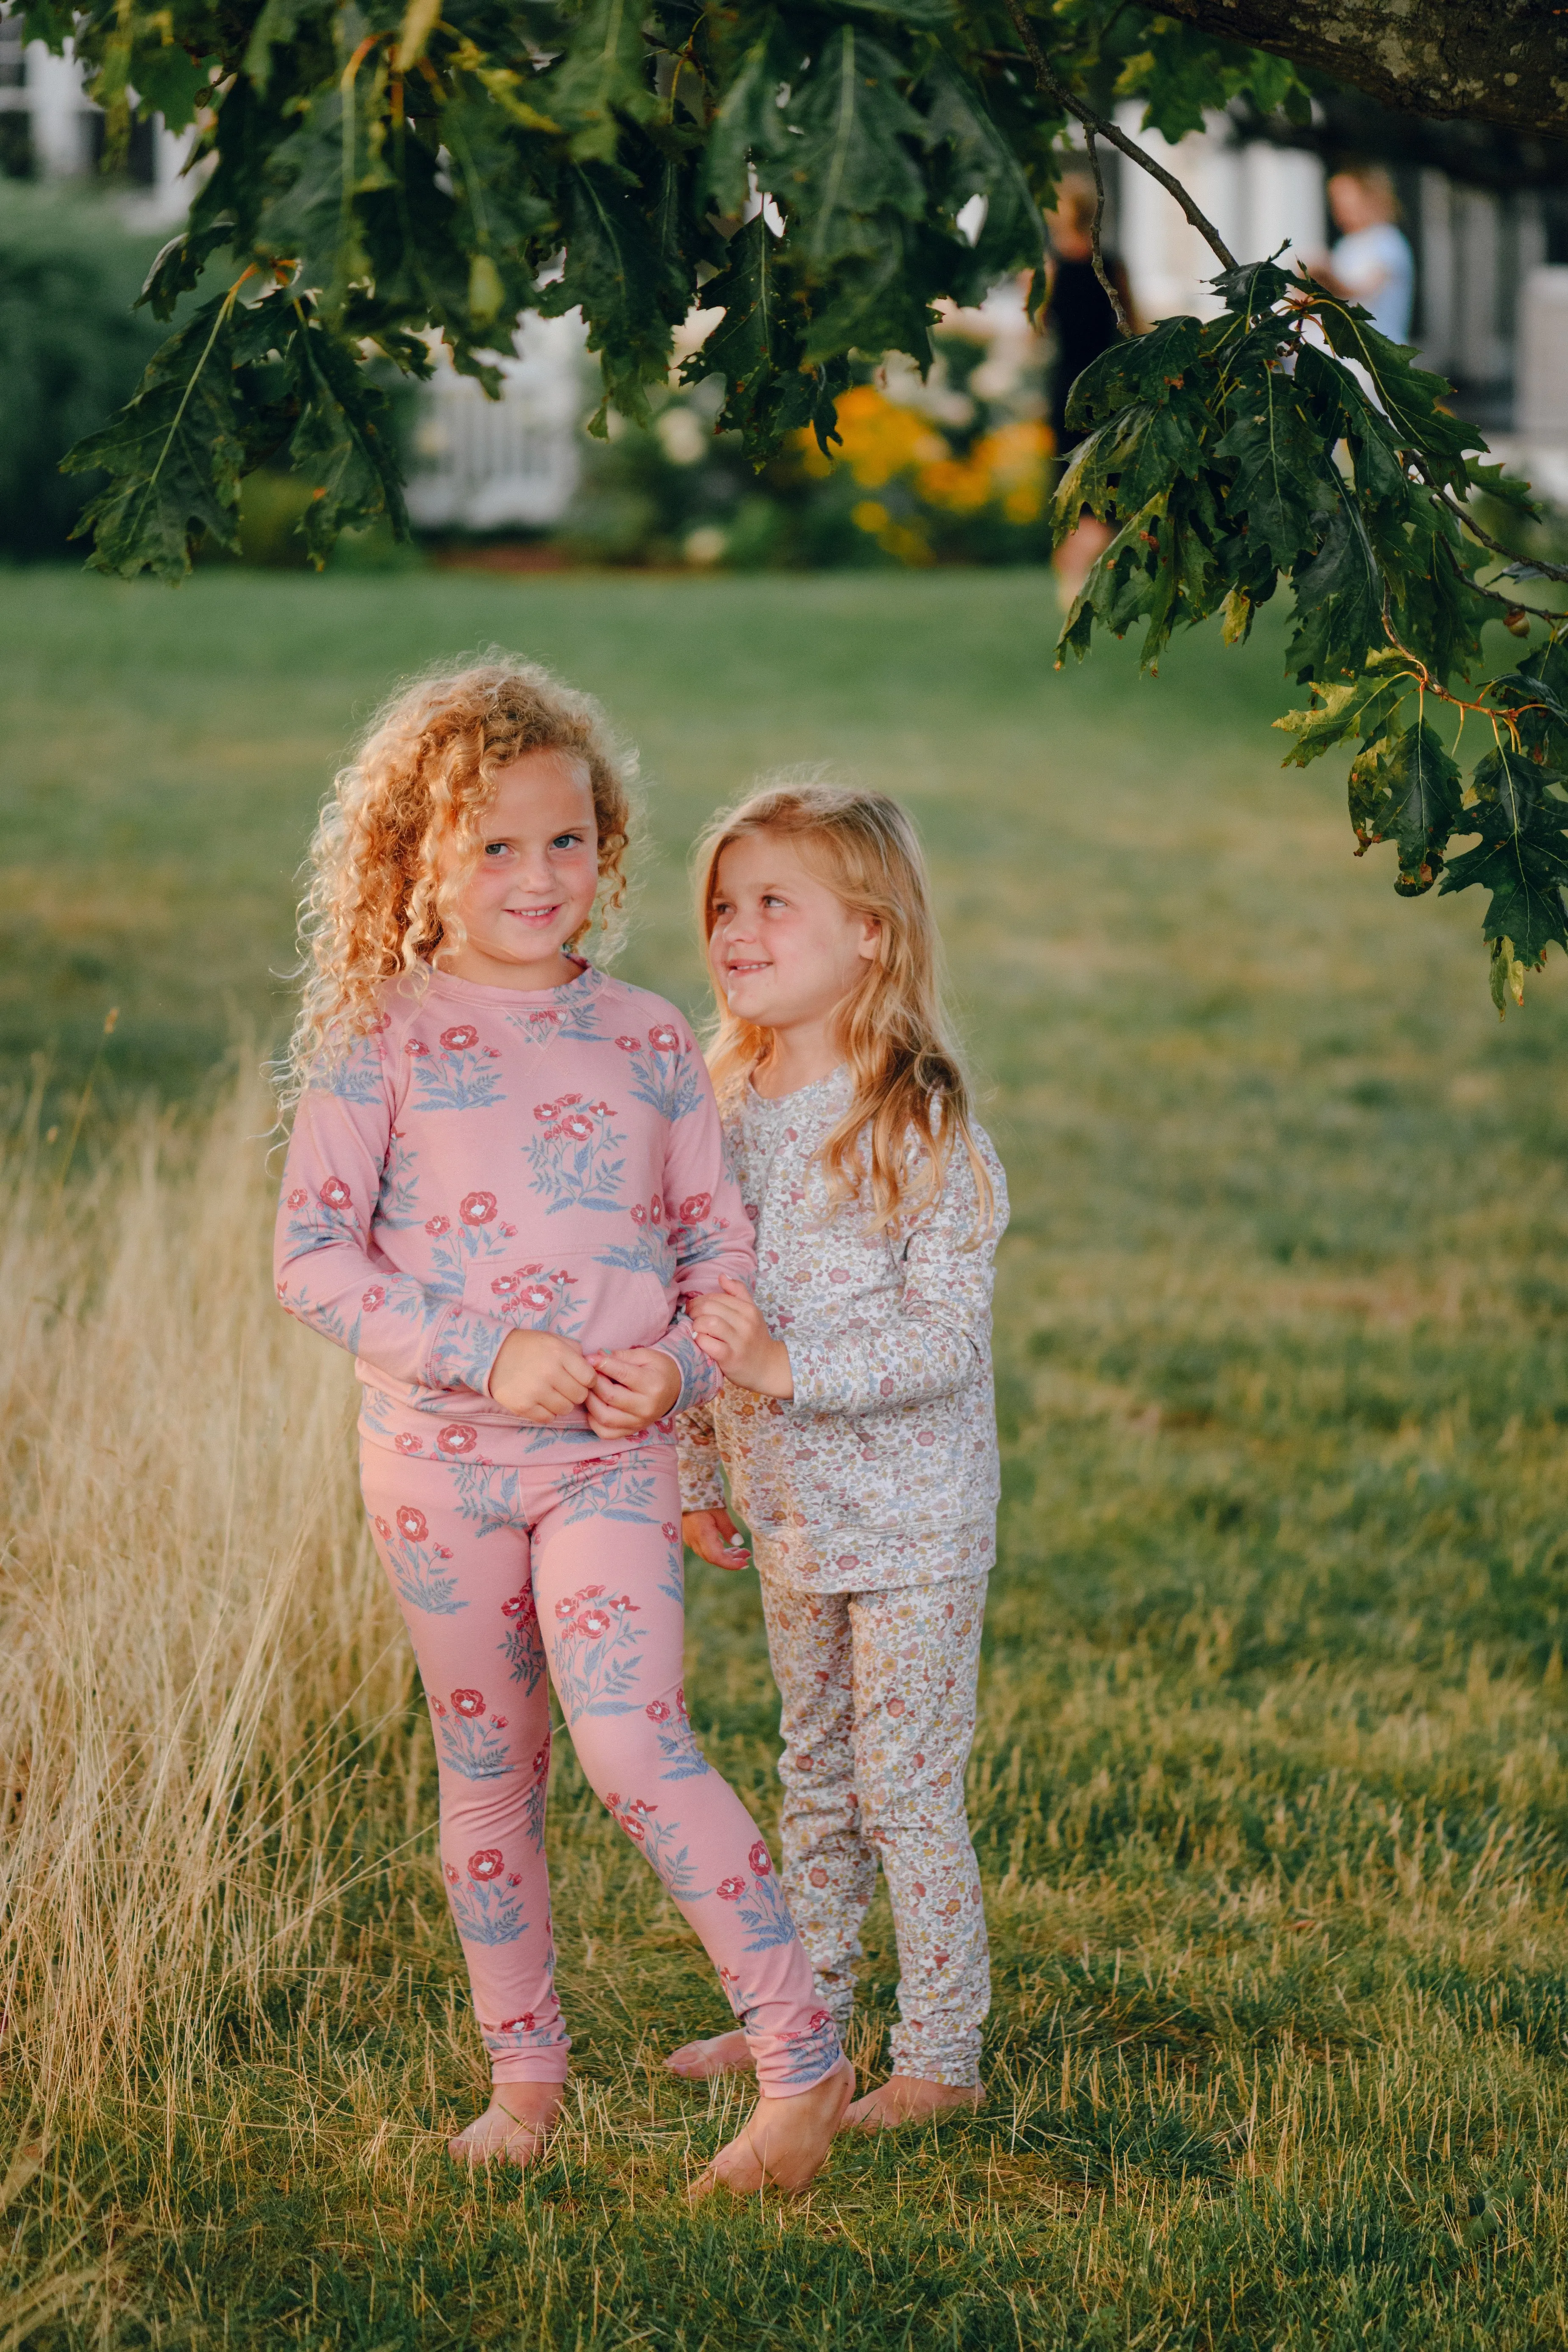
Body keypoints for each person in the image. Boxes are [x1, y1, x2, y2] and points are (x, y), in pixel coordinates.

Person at [272, 662, 854, 2194]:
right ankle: (524, 2075)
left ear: (605, 846)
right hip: (434, 1467)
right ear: (415, 861)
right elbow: (311, 1256)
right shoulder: (378, 1035)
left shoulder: (652, 1035)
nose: (540, 877)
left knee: (632, 1740)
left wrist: (672, 1365)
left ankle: (800, 2058)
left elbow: (710, 1244)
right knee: (489, 1768)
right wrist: (482, 1350)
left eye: (570, 841)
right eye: (496, 847)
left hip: (609, 1456)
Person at [664, 781, 1008, 2130]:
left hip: (917, 1516)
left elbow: (946, 1337)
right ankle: (808, 2025)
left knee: (903, 1784)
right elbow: (699, 1298)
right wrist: (700, 1469)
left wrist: (785, 1369)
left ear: (868, 932)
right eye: (723, 905)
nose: (737, 929)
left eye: (773, 903)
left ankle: (941, 2053)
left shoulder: (913, 1116)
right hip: (792, 1509)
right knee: (813, 1770)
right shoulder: (718, 1103)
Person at [1039, 174, 1137, 603]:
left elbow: (1036, 329)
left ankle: (1071, 570)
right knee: (1107, 483)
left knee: (1069, 481)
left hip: (1065, 387)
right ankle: (1078, 567)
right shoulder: (1112, 265)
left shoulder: (1050, 267)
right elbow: (1131, 326)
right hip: (1107, 386)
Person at [1310, 166, 1415, 345]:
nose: (1340, 208)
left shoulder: (1387, 239)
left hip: (1379, 349)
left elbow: (1365, 291)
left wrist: (1327, 278)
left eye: (1346, 198)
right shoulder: (1346, 245)